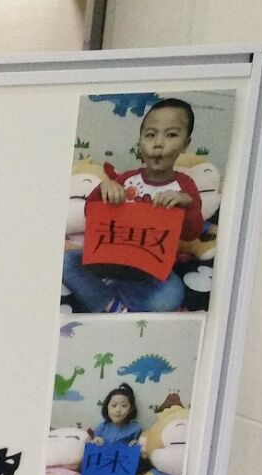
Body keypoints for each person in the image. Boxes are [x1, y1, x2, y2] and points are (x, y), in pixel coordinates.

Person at [62, 97, 202, 314]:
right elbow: (91, 214)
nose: (158, 143)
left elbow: (192, 233)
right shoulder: (126, 179)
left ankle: (108, 298)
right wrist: (103, 189)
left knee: (172, 293)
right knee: (65, 261)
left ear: (186, 144)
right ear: (140, 141)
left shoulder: (184, 186)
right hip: (108, 264)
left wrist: (187, 205)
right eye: (150, 135)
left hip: (150, 274)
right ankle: (111, 303)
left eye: (171, 135)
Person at [86, 384, 144, 475]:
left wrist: (136, 444)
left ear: (131, 409)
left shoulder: (135, 428)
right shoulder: (102, 427)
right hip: (102, 472)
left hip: (122, 473)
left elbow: (139, 451)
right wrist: (96, 441)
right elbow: (93, 451)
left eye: (124, 406)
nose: (118, 410)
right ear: (106, 407)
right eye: (113, 406)